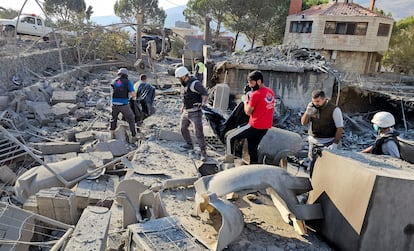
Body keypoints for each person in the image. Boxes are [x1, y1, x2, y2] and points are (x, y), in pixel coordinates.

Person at [225, 70, 275, 164]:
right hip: (265, 127)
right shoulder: (270, 92)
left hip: (254, 126)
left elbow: (247, 112)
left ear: (259, 81)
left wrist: (245, 99)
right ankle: (253, 166)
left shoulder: (255, 95)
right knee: (252, 148)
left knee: (229, 137)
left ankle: (229, 163)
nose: (250, 85)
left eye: (251, 83)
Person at [301, 89, 344, 171]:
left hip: (329, 142)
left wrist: (335, 144)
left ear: (324, 99)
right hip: (314, 142)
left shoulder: (334, 110)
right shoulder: (312, 107)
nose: (315, 103)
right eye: (314, 101)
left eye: (318, 101)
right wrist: (307, 112)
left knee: (327, 167)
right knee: (313, 166)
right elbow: (303, 123)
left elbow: (340, 128)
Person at [175, 66, 209, 161]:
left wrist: (202, 104)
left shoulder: (195, 84)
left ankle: (203, 152)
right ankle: (189, 144)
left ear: (184, 76)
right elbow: (185, 97)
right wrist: (183, 107)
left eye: (179, 78)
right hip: (186, 111)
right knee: (183, 128)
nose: (179, 80)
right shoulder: (184, 84)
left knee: (198, 133)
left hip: (195, 112)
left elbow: (205, 94)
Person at [110, 68, 137, 143]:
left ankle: (112, 134)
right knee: (131, 118)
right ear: (126, 75)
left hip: (114, 103)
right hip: (124, 104)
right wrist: (133, 98)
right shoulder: (128, 82)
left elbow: (114, 90)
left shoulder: (114, 81)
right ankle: (133, 136)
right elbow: (133, 93)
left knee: (113, 118)